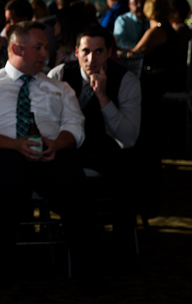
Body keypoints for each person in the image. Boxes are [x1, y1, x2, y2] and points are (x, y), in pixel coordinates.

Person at [0, 21, 96, 279]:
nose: (46, 54)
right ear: (16, 48)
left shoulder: (59, 87)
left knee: (77, 191)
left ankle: (86, 271)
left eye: (45, 47)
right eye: (38, 48)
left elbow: (75, 125)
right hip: (7, 152)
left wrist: (57, 143)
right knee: (8, 188)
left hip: (52, 152)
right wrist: (14, 144)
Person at [49, 25, 141, 254]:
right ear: (76, 52)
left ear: (109, 52)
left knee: (128, 165)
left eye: (99, 51)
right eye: (85, 52)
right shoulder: (59, 75)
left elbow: (129, 138)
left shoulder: (126, 81)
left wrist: (103, 97)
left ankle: (121, 243)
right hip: (68, 146)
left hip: (106, 147)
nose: (91, 59)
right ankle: (77, 239)